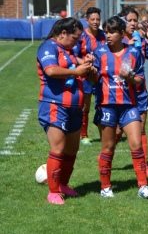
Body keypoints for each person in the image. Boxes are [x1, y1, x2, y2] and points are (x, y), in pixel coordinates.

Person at [88, 16, 148, 199]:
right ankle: (105, 186)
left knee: (136, 145)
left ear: (121, 33)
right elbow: (94, 80)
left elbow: (140, 79)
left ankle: (143, 186)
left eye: (111, 32)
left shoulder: (133, 52)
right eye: (106, 32)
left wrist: (130, 78)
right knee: (108, 148)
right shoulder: (99, 52)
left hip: (129, 106)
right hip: (107, 106)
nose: (107, 35)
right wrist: (92, 73)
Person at [36, 17, 94, 205]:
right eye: (75, 38)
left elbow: (78, 64)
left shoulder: (66, 51)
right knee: (58, 149)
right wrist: (77, 72)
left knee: (71, 150)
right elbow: (51, 70)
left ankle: (63, 184)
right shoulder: (48, 47)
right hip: (55, 105)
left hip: (74, 108)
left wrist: (87, 64)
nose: (77, 43)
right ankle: (53, 192)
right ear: (63, 34)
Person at [119, 6, 148, 177]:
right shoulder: (116, 41)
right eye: (129, 20)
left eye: (135, 20)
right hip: (120, 92)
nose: (133, 23)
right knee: (116, 132)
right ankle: (107, 158)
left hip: (140, 91)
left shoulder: (141, 40)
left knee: (141, 128)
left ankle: (144, 166)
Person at [73, 7, 106, 146]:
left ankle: (106, 133)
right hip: (85, 75)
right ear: (86, 20)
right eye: (92, 19)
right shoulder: (81, 36)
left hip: (101, 75)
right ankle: (84, 135)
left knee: (103, 104)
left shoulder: (104, 35)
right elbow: (73, 56)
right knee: (85, 106)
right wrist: (86, 64)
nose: (95, 22)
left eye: (97, 19)